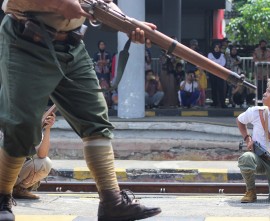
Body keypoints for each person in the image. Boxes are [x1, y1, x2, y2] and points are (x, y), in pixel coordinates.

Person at [0, 1, 161, 221]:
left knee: (95, 119)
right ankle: (1, 199)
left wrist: (129, 24)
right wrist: (57, 5)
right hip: (25, 43)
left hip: (72, 46)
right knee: (22, 124)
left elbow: (102, 4)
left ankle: (112, 202)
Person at [13, 110, 56, 200]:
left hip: (15, 172)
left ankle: (19, 189)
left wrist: (47, 129)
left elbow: (42, 154)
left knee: (45, 163)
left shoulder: (29, 123)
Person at [207, 42, 227, 108]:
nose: (217, 49)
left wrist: (217, 67)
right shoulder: (210, 54)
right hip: (212, 73)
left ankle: (222, 103)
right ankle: (215, 102)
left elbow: (223, 63)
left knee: (221, 88)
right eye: (215, 47)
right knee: (214, 88)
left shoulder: (222, 55)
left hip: (220, 73)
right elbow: (210, 62)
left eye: (218, 47)